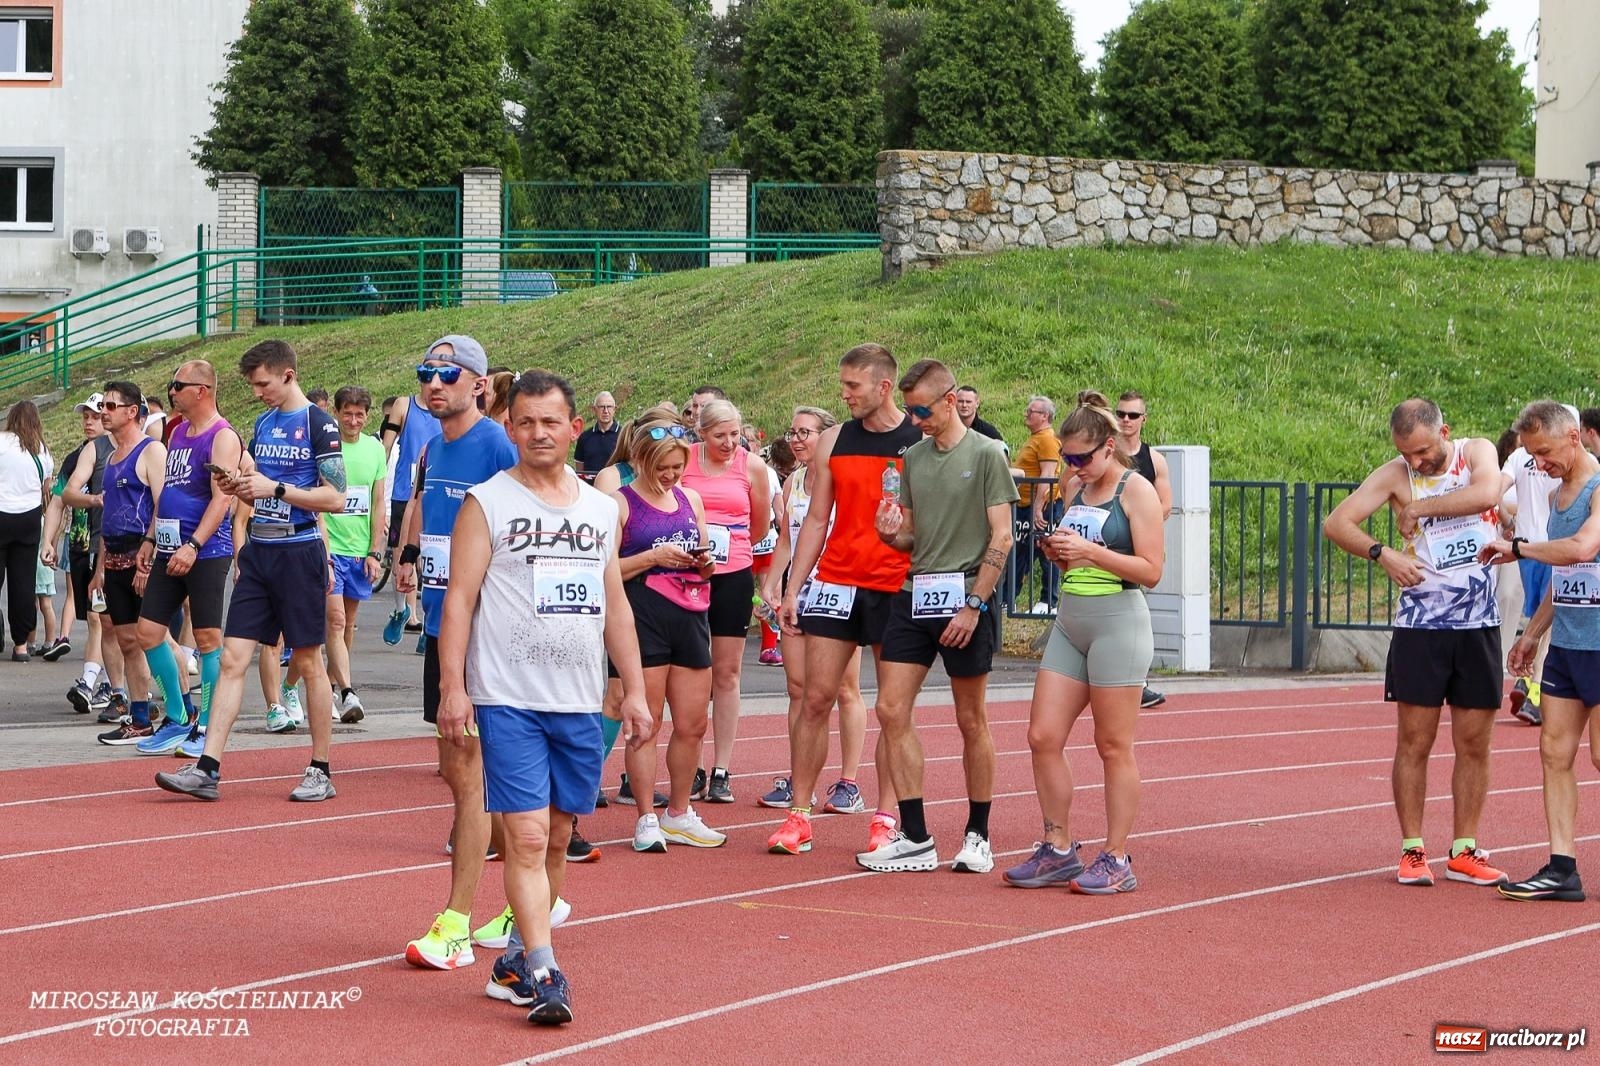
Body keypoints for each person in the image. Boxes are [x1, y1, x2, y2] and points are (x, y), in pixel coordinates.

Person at [436, 369, 650, 1026]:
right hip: (508, 696)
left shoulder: (600, 510)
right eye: (525, 422)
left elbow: (615, 607)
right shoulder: (486, 502)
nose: (538, 433)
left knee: (557, 838)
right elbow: (459, 600)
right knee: (527, 838)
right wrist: (453, 687)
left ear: (574, 428)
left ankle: (511, 962)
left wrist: (635, 690)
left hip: (578, 699)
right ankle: (545, 970)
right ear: (510, 428)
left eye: (550, 422)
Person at [1323, 398, 1509, 889]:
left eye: (1423, 452)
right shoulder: (1394, 474)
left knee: (1474, 743)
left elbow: (1486, 492)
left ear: (1444, 432)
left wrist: (1419, 507)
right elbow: (1336, 523)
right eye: (1407, 454)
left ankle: (1464, 850)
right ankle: (1412, 849)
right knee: (1414, 740)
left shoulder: (1476, 451)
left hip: (1478, 625)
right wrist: (1382, 554)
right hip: (1421, 628)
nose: (1416, 462)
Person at [154, 339, 347, 802]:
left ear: (287, 375)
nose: (257, 393)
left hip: (299, 552)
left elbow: (336, 498)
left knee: (307, 661)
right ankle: (207, 768)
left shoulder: (319, 423)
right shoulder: (263, 423)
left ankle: (320, 769)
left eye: (262, 384)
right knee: (233, 659)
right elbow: (255, 487)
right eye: (253, 385)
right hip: (259, 553)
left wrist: (275, 489)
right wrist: (238, 486)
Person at [1001, 392, 1164, 893]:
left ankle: (1116, 857)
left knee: (1112, 745)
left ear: (1109, 447)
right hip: (1071, 620)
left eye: (1082, 458)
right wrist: (1059, 554)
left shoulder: (1136, 491)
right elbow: (1075, 555)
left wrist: (1090, 552)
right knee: (1042, 736)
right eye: (1067, 458)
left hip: (1118, 622)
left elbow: (1151, 571)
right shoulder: (1073, 485)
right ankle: (1058, 847)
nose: (1073, 467)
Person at [395, 336, 521, 971]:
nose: (434, 383)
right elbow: (428, 513)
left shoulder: (497, 445)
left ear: (479, 385)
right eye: (426, 373)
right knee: (458, 770)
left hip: (487, 631)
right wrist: (410, 555)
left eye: (448, 374)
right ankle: (528, 896)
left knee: (472, 774)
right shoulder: (433, 446)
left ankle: (456, 922)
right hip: (444, 626)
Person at [864, 359, 1016, 873]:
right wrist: (889, 534)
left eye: (922, 411)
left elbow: (1002, 536)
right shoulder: (913, 458)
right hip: (915, 593)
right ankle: (915, 835)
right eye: (910, 411)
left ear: (951, 401)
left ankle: (979, 835)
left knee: (970, 718)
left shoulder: (988, 453)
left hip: (965, 596)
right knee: (890, 709)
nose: (914, 420)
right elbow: (911, 536)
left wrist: (975, 604)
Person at [770, 343, 922, 857]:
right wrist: (794, 587)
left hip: (894, 586)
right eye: (843, 385)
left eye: (853, 386)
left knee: (892, 710)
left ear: (883, 386)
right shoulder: (835, 440)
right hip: (836, 582)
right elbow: (816, 519)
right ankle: (799, 815)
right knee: (815, 699)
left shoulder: (918, 441)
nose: (845, 394)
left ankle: (885, 819)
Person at [1481, 402, 1600, 902]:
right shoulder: (1554, 495)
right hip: (1568, 645)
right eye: (1531, 455)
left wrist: (1519, 548)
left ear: (1574, 437)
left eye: (1545, 452)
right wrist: (1531, 634)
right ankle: (1562, 867)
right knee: (1554, 752)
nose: (1539, 463)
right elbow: (1566, 573)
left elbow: (1582, 548)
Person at [612, 417, 724, 851]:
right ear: (641, 460)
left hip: (691, 612)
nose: (671, 476)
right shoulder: (620, 503)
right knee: (647, 722)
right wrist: (652, 556)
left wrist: (704, 564)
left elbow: (705, 556)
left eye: (678, 468)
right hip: (643, 614)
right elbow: (606, 570)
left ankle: (679, 812)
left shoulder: (690, 498)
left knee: (693, 723)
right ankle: (645, 816)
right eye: (663, 468)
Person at [759, 406, 868, 813]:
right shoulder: (793, 482)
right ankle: (799, 778)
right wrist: (771, 584)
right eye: (793, 432)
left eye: (805, 432)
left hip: (838, 590)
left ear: (827, 437)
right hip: (799, 592)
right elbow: (787, 539)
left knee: (844, 689)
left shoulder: (843, 477)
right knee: (798, 689)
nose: (796, 440)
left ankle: (849, 783)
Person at [129, 362, 241, 756]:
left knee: (208, 639)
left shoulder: (222, 436)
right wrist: (150, 538)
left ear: (202, 390)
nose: (171, 392)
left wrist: (193, 545)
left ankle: (207, 726)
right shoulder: (177, 432)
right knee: (147, 632)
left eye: (177, 386)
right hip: (167, 547)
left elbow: (222, 500)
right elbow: (169, 493)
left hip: (205, 551)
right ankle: (178, 717)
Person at [681, 398, 771, 803]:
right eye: (720, 435)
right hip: (688, 573)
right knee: (692, 671)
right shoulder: (685, 459)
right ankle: (693, 765)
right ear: (701, 433)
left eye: (735, 434)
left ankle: (721, 769)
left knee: (727, 673)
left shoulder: (751, 466)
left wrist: (730, 546)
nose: (730, 442)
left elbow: (759, 525)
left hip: (733, 573)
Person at [84, 384, 166, 744]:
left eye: (111, 405)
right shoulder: (112, 456)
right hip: (115, 560)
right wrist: (100, 569)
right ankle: (140, 718)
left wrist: (149, 552)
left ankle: (184, 712)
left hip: (142, 557)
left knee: (157, 641)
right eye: (103, 405)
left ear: (132, 412)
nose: (104, 411)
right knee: (128, 642)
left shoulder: (152, 451)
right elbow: (110, 518)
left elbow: (163, 505)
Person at [318, 385, 387, 723]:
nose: (354, 420)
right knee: (335, 620)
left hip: (359, 551)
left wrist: (375, 551)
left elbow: (378, 501)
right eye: (348, 413)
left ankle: (329, 687)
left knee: (347, 625)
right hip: (330, 546)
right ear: (337, 413)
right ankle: (347, 692)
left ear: (367, 416)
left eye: (360, 415)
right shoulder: (327, 445)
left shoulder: (375, 449)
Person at [53, 393, 124, 715]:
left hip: (121, 547)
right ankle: (106, 683)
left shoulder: (131, 450)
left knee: (121, 625)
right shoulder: (80, 456)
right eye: (86, 416)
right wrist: (49, 541)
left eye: (96, 415)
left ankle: (98, 682)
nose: (90, 421)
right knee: (100, 619)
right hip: (84, 546)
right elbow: (60, 498)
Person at [1499, 414, 1569, 725]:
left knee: (1538, 616)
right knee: (1547, 619)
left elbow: (1494, 493)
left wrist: (1508, 523)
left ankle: (1527, 681)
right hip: (1548, 548)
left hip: (1525, 549)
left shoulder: (1518, 457)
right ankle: (1535, 688)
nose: (1539, 460)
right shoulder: (1556, 458)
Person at [1113, 390, 1172, 710]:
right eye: (1121, 413)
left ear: (1143, 419)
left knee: (1134, 613)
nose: (1126, 420)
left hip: (1139, 551)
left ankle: (1137, 681)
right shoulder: (1106, 454)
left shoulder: (1154, 460)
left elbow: (1165, 505)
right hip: (1107, 546)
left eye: (1133, 415)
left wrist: (1137, 525)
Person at [379, 377, 442, 640]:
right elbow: (385, 447)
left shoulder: (447, 409)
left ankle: (428, 623)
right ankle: (403, 611)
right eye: (426, 378)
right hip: (405, 492)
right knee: (401, 556)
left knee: (429, 559)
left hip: (435, 492)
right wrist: (377, 486)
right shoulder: (404, 405)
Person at [0, 401, 52, 660]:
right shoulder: (41, 450)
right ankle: (20, 645)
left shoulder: (1, 442)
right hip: (29, 518)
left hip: (1, 512)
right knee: (23, 583)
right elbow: (46, 487)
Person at [1010, 395, 1061, 614]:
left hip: (1041, 506)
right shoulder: (1036, 438)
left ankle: (1048, 601)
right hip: (1025, 505)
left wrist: (1038, 508)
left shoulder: (1047, 440)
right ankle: (1009, 597)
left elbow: (1047, 476)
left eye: (1031, 411)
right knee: (1021, 551)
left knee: (1046, 549)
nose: (1026, 414)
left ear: (1044, 416)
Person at [573, 391, 619, 476]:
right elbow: (580, 472)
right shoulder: (584, 438)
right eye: (601, 407)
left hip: (617, 484)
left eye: (609, 407)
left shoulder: (623, 436)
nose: (605, 411)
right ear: (594, 409)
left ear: (614, 409)